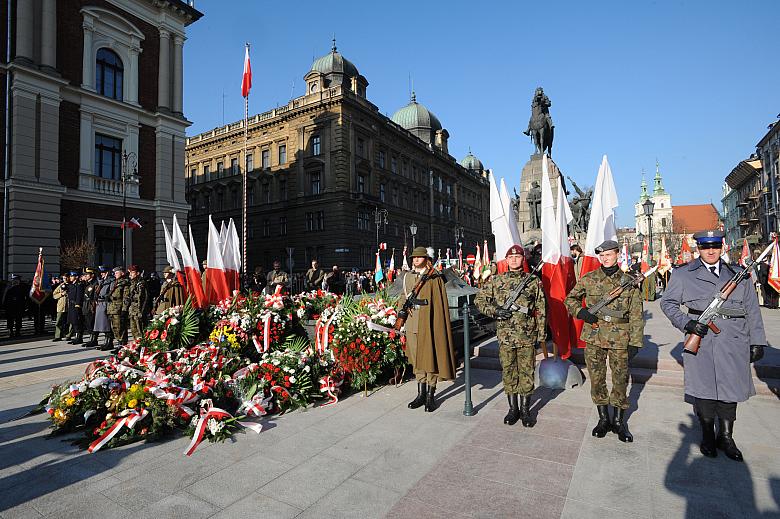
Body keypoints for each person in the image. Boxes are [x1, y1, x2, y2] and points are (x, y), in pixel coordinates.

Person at [660, 230, 766, 461]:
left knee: (731, 389)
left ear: (722, 247)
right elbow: (667, 303)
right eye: (705, 246)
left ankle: (726, 437)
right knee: (704, 388)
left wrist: (757, 340)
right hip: (703, 339)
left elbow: (752, 310)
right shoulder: (683, 274)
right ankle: (708, 435)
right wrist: (687, 323)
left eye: (715, 246)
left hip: (734, 340)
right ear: (698, 248)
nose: (710, 251)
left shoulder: (738, 274)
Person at [565, 240, 644, 442]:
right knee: (597, 378)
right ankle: (603, 419)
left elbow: (636, 314)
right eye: (601, 255)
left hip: (620, 337)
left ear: (617, 254)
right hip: (594, 336)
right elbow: (570, 299)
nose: (605, 258)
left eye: (608, 254)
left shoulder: (628, 281)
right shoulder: (589, 278)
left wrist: (635, 342)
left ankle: (618, 421)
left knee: (620, 379)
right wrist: (581, 312)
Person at [475, 245, 546, 426]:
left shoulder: (533, 281)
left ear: (523, 259)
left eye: (518, 257)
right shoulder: (497, 280)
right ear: (506, 260)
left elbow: (541, 308)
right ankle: (513, 409)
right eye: (511, 257)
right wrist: (496, 311)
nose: (514, 260)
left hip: (526, 335)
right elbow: (479, 300)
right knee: (508, 371)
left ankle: (525, 410)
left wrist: (541, 333)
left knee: (527, 372)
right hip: (505, 335)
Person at [396, 246, 457, 412]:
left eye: (419, 257)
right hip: (412, 323)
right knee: (417, 359)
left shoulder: (434, 277)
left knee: (430, 358)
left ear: (426, 259)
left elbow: (438, 302)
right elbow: (403, 296)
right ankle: (420, 394)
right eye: (414, 257)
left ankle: (430, 395)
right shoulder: (408, 276)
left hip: (429, 322)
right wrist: (400, 313)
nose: (416, 259)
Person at [107, 266, 130, 351]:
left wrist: (124, 309)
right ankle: (119, 344)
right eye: (115, 273)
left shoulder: (125, 283)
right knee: (114, 328)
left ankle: (122, 346)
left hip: (119, 309)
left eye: (117, 273)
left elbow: (126, 298)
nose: (115, 274)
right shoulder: (115, 283)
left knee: (120, 328)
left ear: (122, 273)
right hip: (112, 308)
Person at [93, 265, 114, 350]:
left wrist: (104, 296)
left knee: (107, 325)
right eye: (101, 273)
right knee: (101, 325)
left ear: (107, 273)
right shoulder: (101, 282)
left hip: (106, 304)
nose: (102, 274)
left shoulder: (111, 281)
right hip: (100, 304)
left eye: (103, 272)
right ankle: (106, 342)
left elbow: (111, 292)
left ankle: (109, 342)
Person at [127, 265, 150, 341]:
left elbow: (144, 298)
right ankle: (136, 345)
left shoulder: (141, 283)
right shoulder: (132, 283)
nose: (130, 274)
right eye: (130, 272)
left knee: (141, 330)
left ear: (138, 273)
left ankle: (143, 345)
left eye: (132, 272)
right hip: (132, 310)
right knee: (134, 330)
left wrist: (141, 311)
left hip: (139, 310)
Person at [65, 271, 85, 344]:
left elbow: (79, 295)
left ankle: (79, 337)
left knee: (77, 322)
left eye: (72, 276)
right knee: (73, 322)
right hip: (71, 305)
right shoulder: (71, 285)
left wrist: (78, 304)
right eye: (70, 276)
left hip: (76, 305)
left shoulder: (79, 285)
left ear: (76, 277)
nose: (70, 277)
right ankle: (76, 337)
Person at [81, 267, 99, 347]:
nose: (85, 276)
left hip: (91, 306)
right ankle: (91, 338)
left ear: (92, 275)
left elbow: (95, 296)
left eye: (87, 274)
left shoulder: (95, 284)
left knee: (91, 323)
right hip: (86, 305)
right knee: (88, 323)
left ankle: (94, 339)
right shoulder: (87, 284)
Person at [52, 274, 69, 341]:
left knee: (69, 322)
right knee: (58, 322)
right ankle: (58, 336)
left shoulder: (71, 285)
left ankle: (68, 335)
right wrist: (61, 294)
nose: (65, 279)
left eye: (66, 278)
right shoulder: (61, 286)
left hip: (69, 306)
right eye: (64, 278)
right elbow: (54, 295)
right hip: (61, 306)